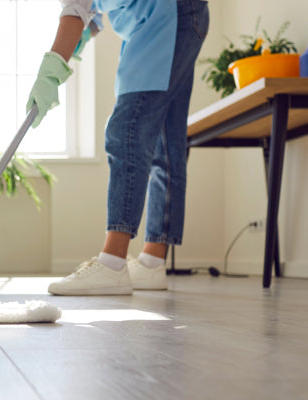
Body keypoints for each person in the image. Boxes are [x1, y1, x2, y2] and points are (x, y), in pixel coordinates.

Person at [27, 0, 209, 295]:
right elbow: (93, 11)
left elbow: (76, 10)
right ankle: (152, 261)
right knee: (165, 142)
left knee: (126, 132)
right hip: (182, 15)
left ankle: (112, 263)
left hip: (162, 16)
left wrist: (52, 66)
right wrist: (87, 31)